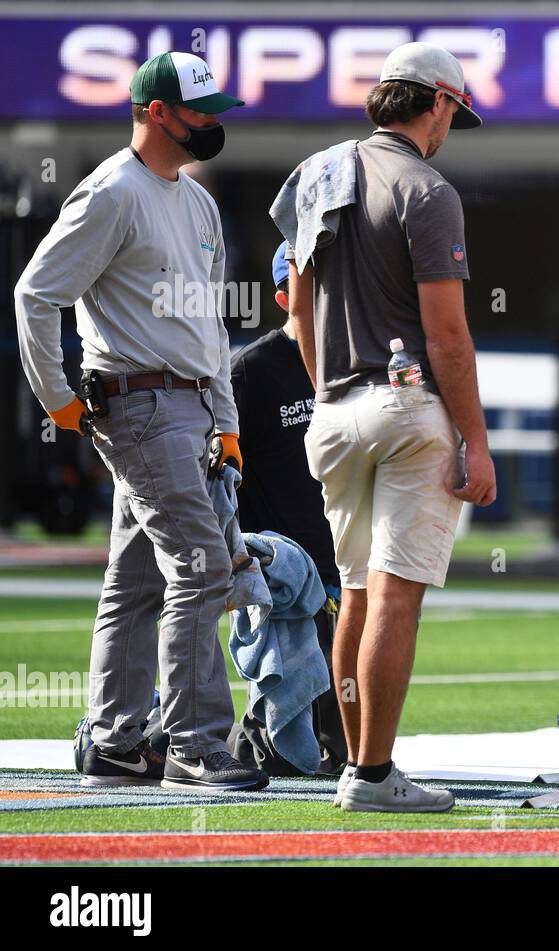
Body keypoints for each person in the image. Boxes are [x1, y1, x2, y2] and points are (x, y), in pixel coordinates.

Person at [14, 52, 267, 792]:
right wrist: (56, 400)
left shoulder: (195, 200)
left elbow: (209, 324)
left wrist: (225, 420)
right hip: (139, 404)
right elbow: (36, 292)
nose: (214, 122)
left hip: (183, 406)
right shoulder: (110, 193)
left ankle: (116, 740)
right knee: (201, 567)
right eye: (201, 110)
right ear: (156, 112)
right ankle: (193, 744)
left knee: (136, 581)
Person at [272, 43, 495, 812]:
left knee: (356, 593)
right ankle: (372, 776)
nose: (449, 131)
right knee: (395, 596)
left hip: (332, 408)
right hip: (406, 404)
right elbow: (448, 338)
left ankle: (354, 764)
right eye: (453, 116)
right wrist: (477, 438)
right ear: (435, 101)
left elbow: (296, 310)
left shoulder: (315, 174)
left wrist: (330, 393)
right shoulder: (428, 189)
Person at [227, 242, 347, 776]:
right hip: (286, 580)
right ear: (284, 297)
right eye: (317, 286)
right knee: (283, 751)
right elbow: (219, 479)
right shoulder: (249, 373)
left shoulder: (357, 366)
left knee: (345, 751)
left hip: (349, 566)